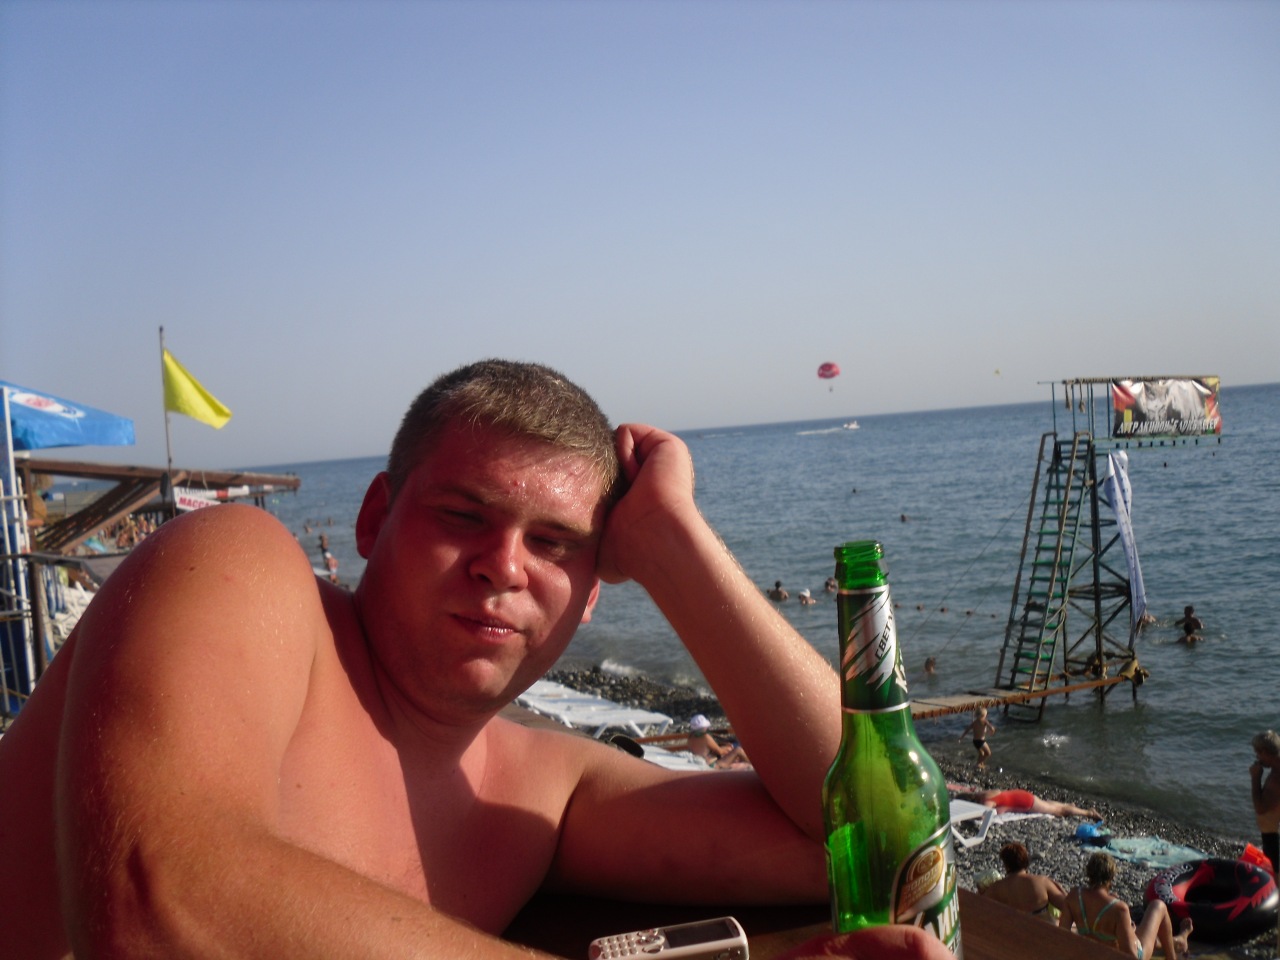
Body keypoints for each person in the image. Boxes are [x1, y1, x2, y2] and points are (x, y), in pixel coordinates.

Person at [0, 359, 950, 960]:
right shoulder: (238, 570)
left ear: (593, 588)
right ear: (375, 518)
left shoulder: (537, 789)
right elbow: (158, 905)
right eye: (463, 516)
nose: (504, 565)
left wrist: (674, 544)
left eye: (556, 544)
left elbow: (870, 837)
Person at [1059, 852, 1192, 958]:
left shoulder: (1074, 897)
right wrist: (1130, 931)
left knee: (1140, 931)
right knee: (1158, 906)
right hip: (1117, 956)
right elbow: (1130, 955)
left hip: (1091, 954)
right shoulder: (1118, 909)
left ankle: (1178, 941)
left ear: (1089, 873)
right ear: (1111, 877)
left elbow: (1061, 936)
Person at [981, 842, 1067, 922]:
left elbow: (980, 908)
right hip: (1044, 929)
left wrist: (982, 891)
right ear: (1026, 860)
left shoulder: (996, 888)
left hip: (1013, 930)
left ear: (1006, 864)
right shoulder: (1042, 882)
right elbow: (1067, 907)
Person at [957, 787, 1101, 819]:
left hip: (1025, 802)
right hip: (1021, 794)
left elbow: (983, 816)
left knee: (1058, 812)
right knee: (1046, 804)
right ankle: (1068, 804)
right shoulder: (984, 793)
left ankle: (1088, 813)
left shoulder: (986, 802)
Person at [1250, 730, 1280, 874]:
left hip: (1273, 837)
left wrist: (1255, 778)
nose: (1258, 757)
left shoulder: (1276, 778)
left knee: (1274, 874)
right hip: (1271, 835)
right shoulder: (1275, 771)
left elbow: (1260, 808)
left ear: (1265, 752)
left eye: (1258, 753)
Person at [686, 713, 750, 768]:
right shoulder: (706, 737)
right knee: (738, 750)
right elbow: (720, 752)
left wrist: (725, 747)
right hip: (712, 765)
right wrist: (728, 747)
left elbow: (705, 750)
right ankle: (753, 766)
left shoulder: (690, 737)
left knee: (734, 756)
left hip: (701, 762)